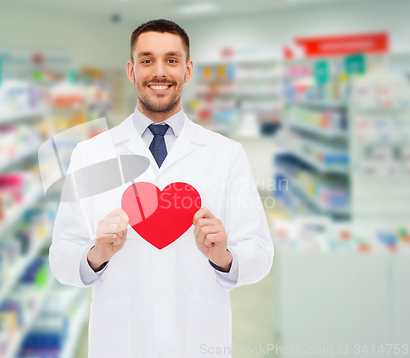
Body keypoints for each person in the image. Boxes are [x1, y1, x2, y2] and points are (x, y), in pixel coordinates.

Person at [49, 19, 274, 358]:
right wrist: (96, 256)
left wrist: (224, 258)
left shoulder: (225, 154)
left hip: (197, 339)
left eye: (171, 60)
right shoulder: (92, 154)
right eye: (146, 59)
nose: (159, 72)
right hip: (121, 341)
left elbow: (259, 252)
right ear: (131, 69)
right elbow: (61, 255)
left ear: (188, 69)